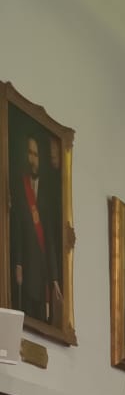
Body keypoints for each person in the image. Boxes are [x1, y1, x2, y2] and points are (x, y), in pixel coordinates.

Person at [10, 130, 61, 326]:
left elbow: (49, 239)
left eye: (36, 155)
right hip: (26, 268)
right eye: (30, 153)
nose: (32, 159)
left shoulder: (47, 195)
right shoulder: (20, 186)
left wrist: (55, 278)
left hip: (42, 273)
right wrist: (19, 264)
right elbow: (17, 229)